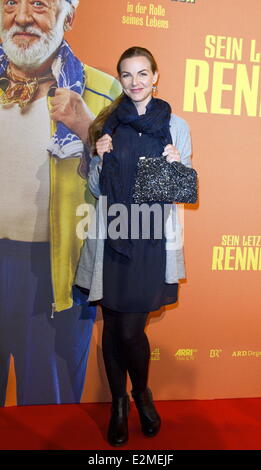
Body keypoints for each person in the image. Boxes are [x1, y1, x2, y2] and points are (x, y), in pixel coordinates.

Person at [0, 0, 121, 406]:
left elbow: (131, 189)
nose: (20, 17)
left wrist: (88, 129)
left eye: (39, 4)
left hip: (59, 275)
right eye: (9, 2)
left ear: (69, 17)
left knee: (47, 411)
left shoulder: (105, 92)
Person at [75, 46, 192, 446]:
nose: (136, 82)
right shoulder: (107, 124)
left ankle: (142, 393)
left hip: (151, 241)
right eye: (127, 75)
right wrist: (99, 159)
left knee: (129, 331)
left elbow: (181, 190)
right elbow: (94, 190)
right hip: (111, 238)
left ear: (156, 76)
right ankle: (120, 404)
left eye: (143, 73)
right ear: (120, 80)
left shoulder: (176, 125)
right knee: (113, 328)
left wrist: (178, 165)